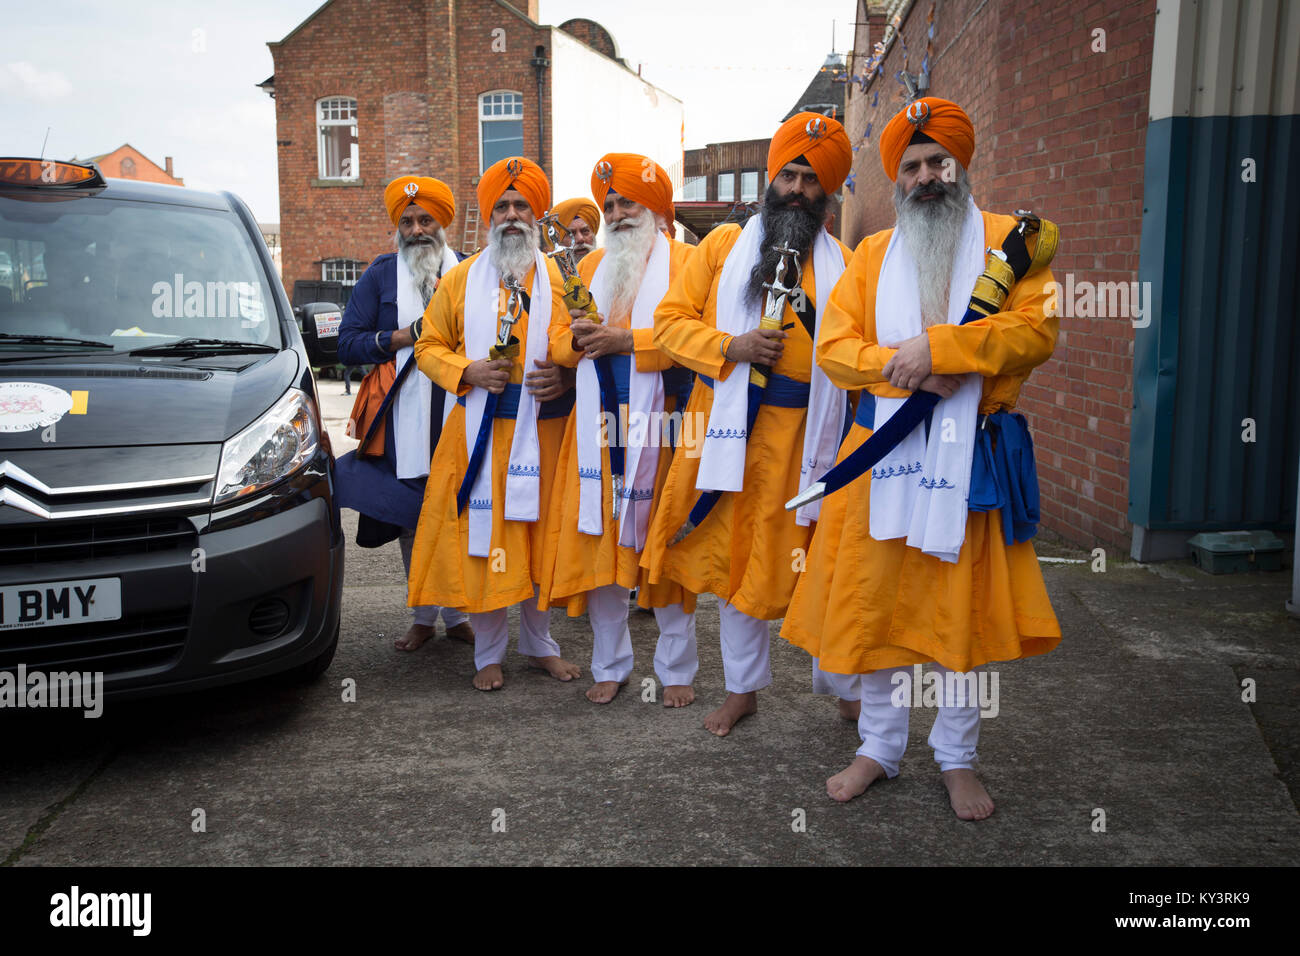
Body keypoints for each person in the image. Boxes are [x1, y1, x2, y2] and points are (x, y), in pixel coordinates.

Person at [780, 97, 1063, 820]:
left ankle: (958, 758)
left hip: (972, 459)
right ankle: (878, 746)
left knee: (955, 612)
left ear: (962, 166)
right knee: (873, 609)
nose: (927, 175)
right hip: (879, 454)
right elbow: (837, 353)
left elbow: (1034, 334)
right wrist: (900, 365)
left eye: (940, 161)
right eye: (911, 166)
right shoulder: (872, 254)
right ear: (897, 179)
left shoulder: (1011, 244)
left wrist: (944, 350)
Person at [641, 113, 855, 736]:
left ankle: (843, 687)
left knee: (818, 561)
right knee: (736, 563)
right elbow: (670, 323)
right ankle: (743, 691)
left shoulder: (846, 265)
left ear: (829, 192)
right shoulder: (722, 247)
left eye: (811, 179)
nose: (796, 188)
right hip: (721, 429)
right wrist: (730, 347)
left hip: (808, 438)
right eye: (787, 173)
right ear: (770, 178)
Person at [407, 156, 580, 691]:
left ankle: (540, 646)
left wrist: (567, 376)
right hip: (474, 437)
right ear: (488, 215)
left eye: (520, 205)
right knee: (483, 540)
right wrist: (468, 370)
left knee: (536, 538)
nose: (510, 215)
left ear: (536, 213)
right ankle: (489, 653)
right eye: (501, 206)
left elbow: (586, 336)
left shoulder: (564, 277)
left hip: (543, 433)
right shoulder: (458, 279)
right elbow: (426, 347)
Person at [539, 154, 700, 707]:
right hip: (595, 428)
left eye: (628, 202)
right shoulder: (587, 269)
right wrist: (577, 340)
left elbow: (704, 340)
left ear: (658, 209)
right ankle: (610, 665)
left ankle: (677, 669)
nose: (617, 212)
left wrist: (628, 342)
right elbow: (557, 341)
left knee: (668, 546)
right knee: (600, 544)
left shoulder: (690, 263)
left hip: (672, 422)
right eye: (609, 204)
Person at [335, 175, 474, 651]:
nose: (416, 229)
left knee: (459, 511)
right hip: (401, 416)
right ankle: (422, 615)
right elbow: (348, 344)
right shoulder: (379, 275)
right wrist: (401, 336)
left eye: (425, 219)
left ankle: (457, 614)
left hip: (463, 408)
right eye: (407, 221)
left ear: (443, 223)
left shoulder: (472, 272)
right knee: (411, 513)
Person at [550, 197, 600, 263]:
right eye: (571, 234)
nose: (580, 239)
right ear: (559, 242)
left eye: (585, 231)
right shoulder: (549, 272)